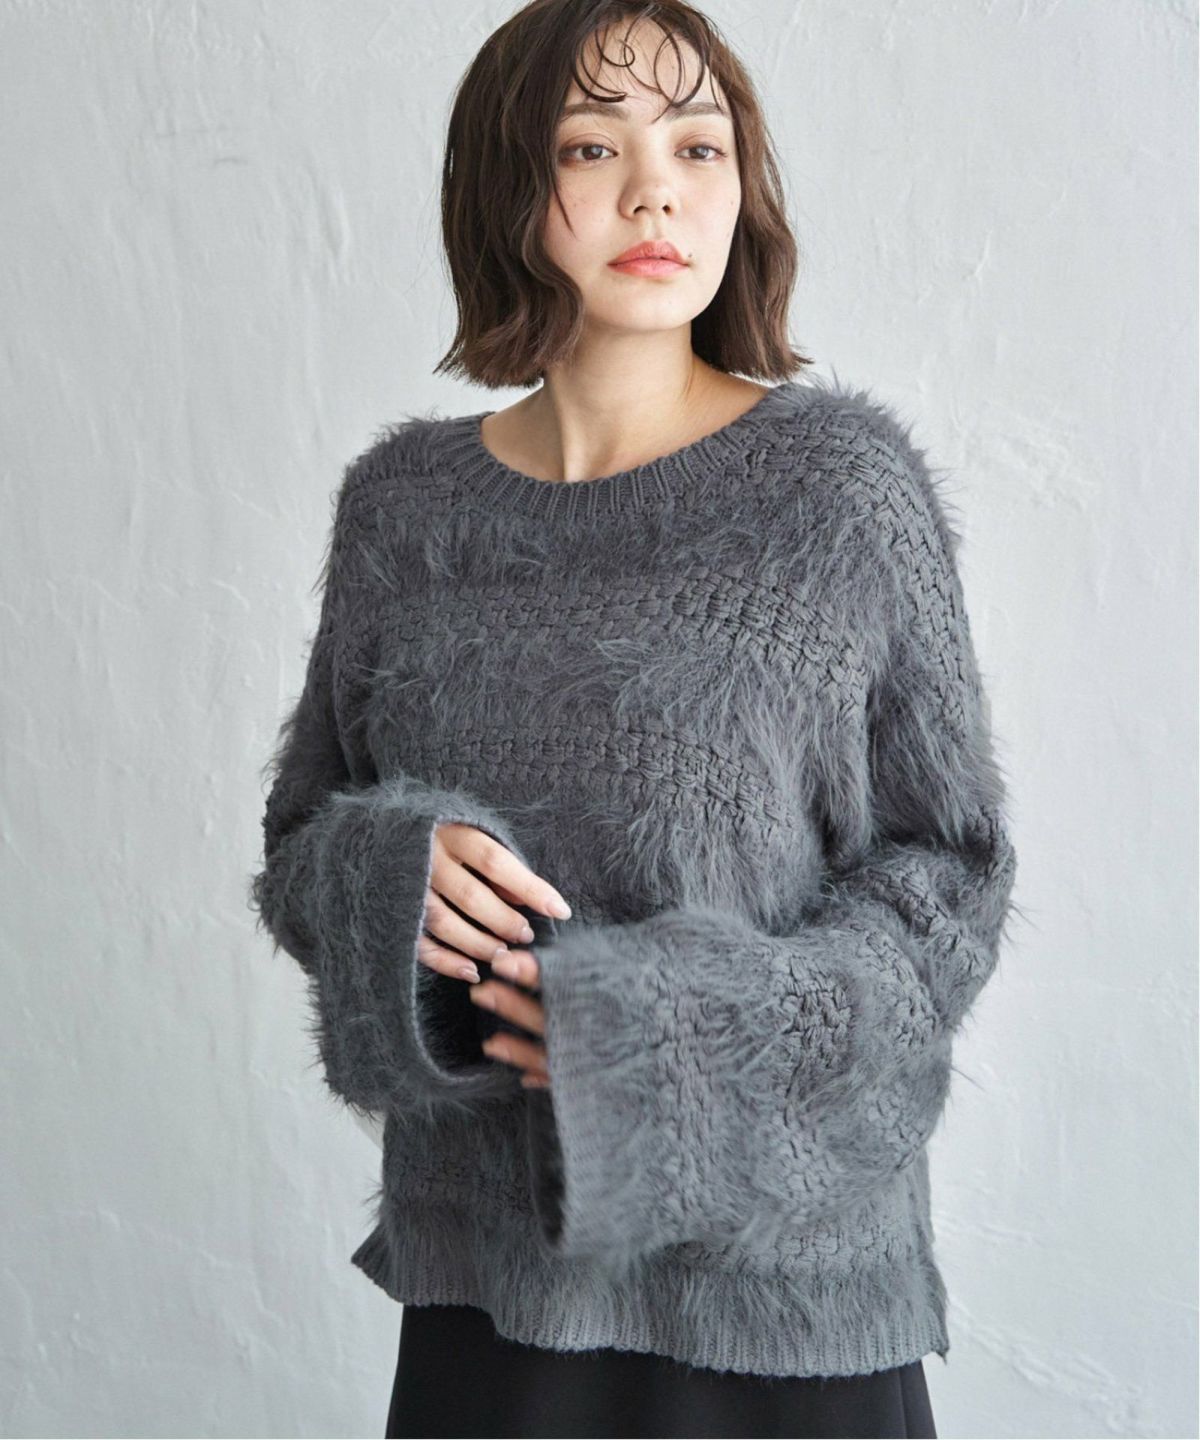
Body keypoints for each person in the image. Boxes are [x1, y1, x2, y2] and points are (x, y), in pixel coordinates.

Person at [249, 2, 1019, 1436]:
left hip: (783, 1305)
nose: (656, 191)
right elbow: (304, 842)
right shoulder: (404, 511)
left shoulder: (841, 492)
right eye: (591, 146)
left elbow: (947, 886)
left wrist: (671, 1038)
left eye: (698, 146)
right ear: (509, 186)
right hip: (494, 1299)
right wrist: (395, 874)